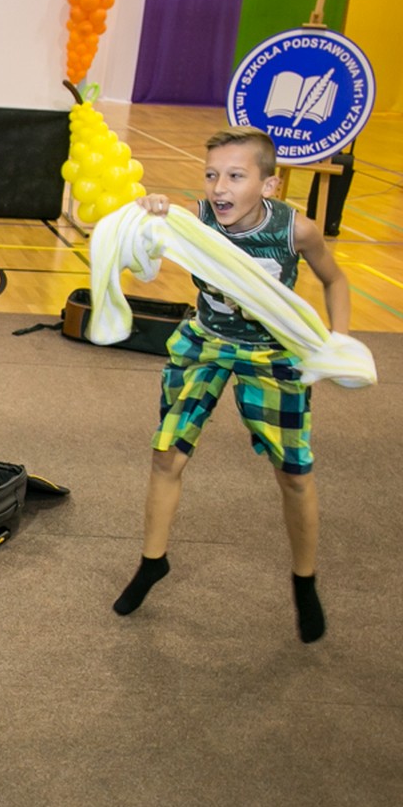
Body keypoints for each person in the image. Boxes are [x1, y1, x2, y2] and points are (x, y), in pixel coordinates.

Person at [111, 126, 352, 644]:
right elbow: (140, 225)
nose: (220, 188)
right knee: (166, 455)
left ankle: (304, 581)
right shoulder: (195, 219)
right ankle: (153, 562)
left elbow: (335, 279)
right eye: (211, 175)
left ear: (270, 185)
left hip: (272, 352)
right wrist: (148, 208)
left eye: (236, 176)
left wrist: (340, 340)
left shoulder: (296, 231)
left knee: (294, 474)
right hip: (206, 340)